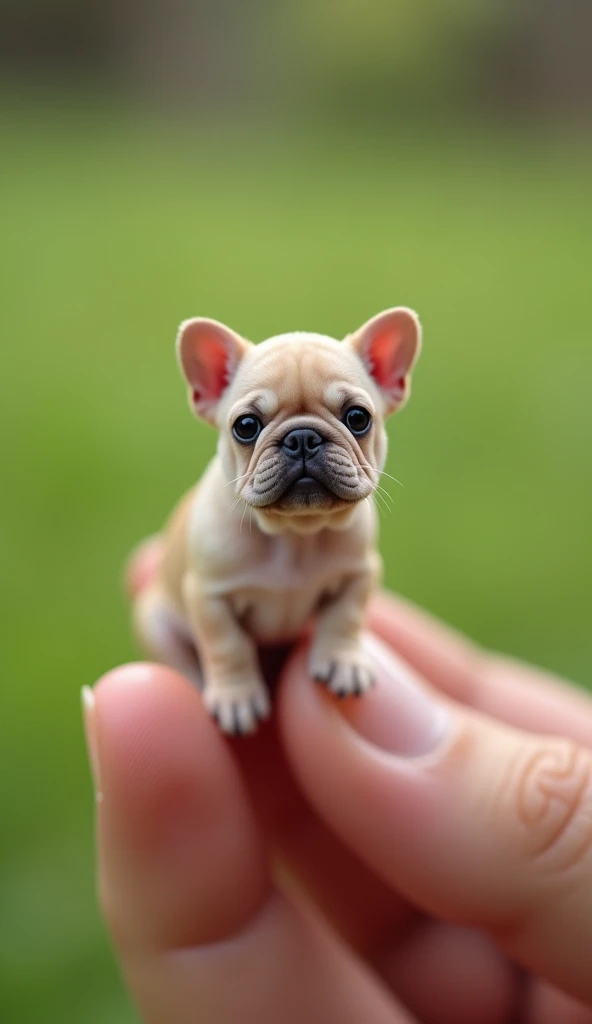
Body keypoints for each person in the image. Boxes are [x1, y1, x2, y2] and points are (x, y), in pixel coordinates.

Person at [81, 538, 592, 1024]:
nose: (304, 445)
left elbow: (356, 578)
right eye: (248, 437)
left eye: (357, 436)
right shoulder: (217, 535)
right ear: (213, 438)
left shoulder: (349, 529)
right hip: (207, 643)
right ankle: (207, 693)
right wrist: (230, 675)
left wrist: (339, 641)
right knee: (159, 619)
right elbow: (204, 597)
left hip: (294, 645)